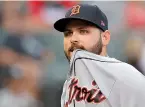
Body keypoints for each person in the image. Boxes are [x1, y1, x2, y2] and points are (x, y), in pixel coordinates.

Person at [54, 4, 145, 107]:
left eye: (83, 31)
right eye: (68, 33)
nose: (73, 39)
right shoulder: (69, 83)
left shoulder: (126, 77)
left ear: (105, 38)